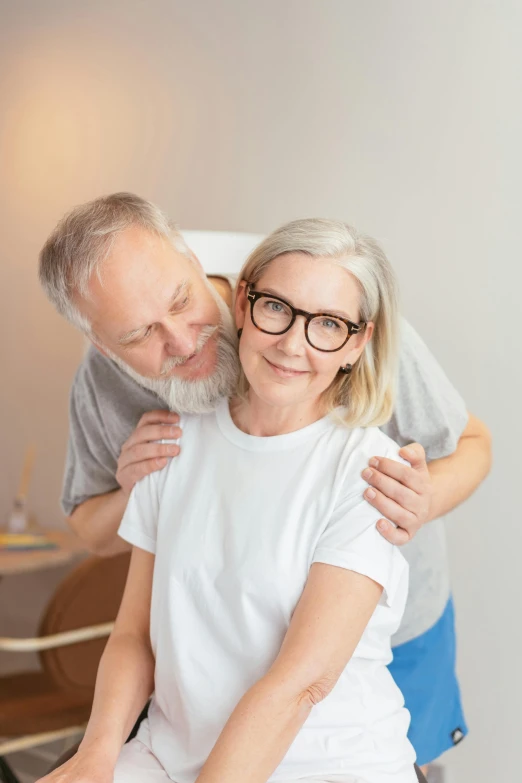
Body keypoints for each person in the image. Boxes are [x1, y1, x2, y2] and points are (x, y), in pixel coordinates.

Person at [38, 195, 491, 774]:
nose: (180, 342)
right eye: (139, 335)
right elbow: (100, 543)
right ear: (104, 345)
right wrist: (142, 488)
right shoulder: (147, 421)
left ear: (199, 264)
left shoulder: (328, 305)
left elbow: (474, 444)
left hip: (384, 626)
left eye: (182, 301)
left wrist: (412, 503)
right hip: (214, 651)